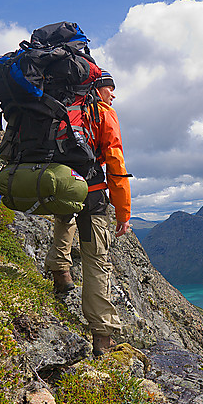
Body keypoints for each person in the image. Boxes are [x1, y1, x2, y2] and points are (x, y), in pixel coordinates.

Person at [45, 71, 131, 356]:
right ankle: (102, 336)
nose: (113, 95)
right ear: (95, 88)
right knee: (97, 259)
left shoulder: (54, 108)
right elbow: (115, 164)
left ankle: (60, 271)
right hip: (91, 192)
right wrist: (123, 212)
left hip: (54, 183)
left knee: (65, 214)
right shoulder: (100, 113)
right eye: (109, 88)